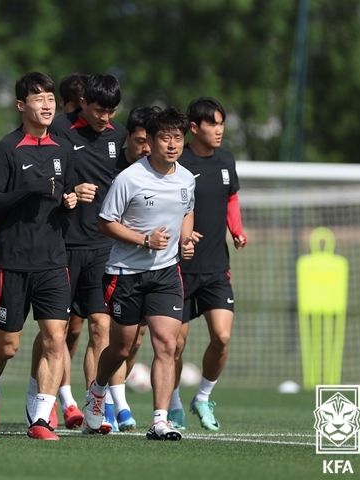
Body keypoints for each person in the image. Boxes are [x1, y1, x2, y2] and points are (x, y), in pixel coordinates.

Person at [82, 107, 195, 441]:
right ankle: (97, 391)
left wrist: (186, 240)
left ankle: (160, 420)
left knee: (167, 344)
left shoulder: (187, 179)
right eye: (165, 138)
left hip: (166, 273)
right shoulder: (129, 178)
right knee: (122, 348)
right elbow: (105, 223)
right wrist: (144, 240)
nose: (172, 145)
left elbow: (187, 210)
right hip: (125, 273)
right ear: (152, 141)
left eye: (178, 138)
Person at [0, 72, 77, 441]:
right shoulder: (6, 149)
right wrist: (28, 189)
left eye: (50, 98)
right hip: (12, 261)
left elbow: (65, 194)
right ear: (22, 105)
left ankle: (40, 418)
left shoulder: (63, 150)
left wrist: (71, 199)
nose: (47, 105)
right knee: (8, 346)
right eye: (38, 99)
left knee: (55, 338)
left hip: (53, 260)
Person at [24, 74, 125, 432]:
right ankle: (39, 396)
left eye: (111, 111)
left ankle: (95, 406)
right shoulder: (59, 130)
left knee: (101, 327)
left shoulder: (119, 135)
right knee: (56, 330)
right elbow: (41, 174)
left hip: (103, 246)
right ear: (83, 103)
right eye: (99, 111)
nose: (105, 118)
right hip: (62, 245)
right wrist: (69, 191)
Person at [169, 97, 246, 431]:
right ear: (194, 127)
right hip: (179, 268)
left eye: (221, 123)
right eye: (212, 123)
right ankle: (172, 404)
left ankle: (202, 397)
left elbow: (231, 197)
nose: (219, 129)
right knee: (174, 344)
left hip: (216, 268)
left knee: (222, 337)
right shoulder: (178, 162)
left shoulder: (226, 160)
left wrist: (237, 230)